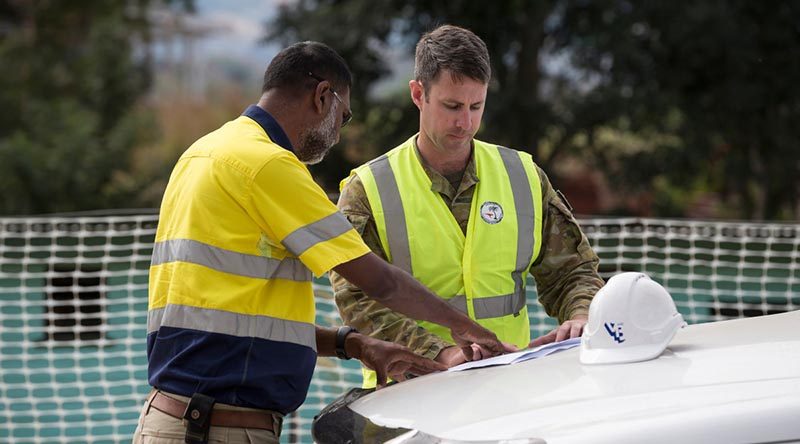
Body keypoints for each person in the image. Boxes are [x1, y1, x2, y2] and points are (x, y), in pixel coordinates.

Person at [133, 41, 512, 444]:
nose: (336, 135)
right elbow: (379, 281)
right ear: (322, 96)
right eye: (343, 116)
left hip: (176, 420)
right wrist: (472, 332)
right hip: (217, 429)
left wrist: (354, 344)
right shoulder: (269, 165)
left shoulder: (202, 154)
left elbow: (230, 322)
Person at [331, 25, 605, 388]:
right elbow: (358, 300)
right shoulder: (367, 189)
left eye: (477, 106)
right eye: (452, 106)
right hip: (408, 395)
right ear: (418, 94)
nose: (466, 122)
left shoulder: (523, 176)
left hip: (506, 391)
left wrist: (581, 312)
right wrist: (440, 354)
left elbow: (573, 271)